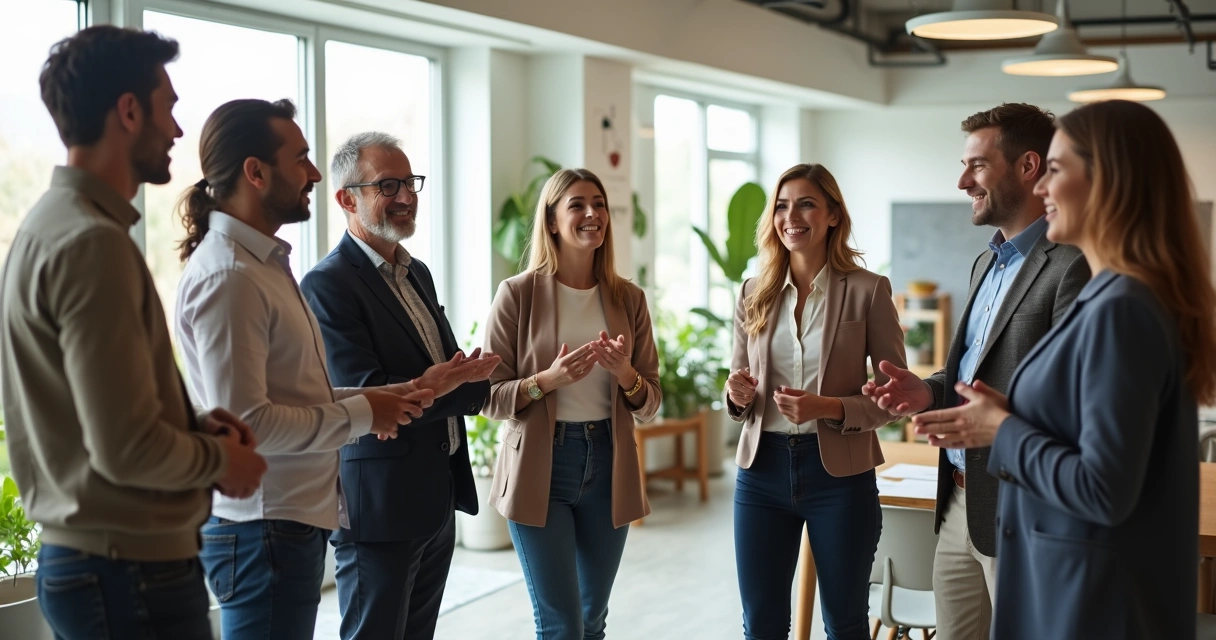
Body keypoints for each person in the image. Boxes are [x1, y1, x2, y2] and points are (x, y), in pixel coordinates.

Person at [0, 26, 266, 639]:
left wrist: (192, 430)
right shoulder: (92, 243)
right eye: (167, 107)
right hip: (127, 573)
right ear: (127, 110)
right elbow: (124, 450)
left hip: (103, 566)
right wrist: (221, 458)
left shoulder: (49, 226)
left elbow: (90, 420)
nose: (177, 129)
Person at [913, 99, 1212, 640]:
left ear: (1108, 181)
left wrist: (1001, 429)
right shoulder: (1120, 297)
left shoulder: (1122, 308)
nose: (1043, 189)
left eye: (1055, 169)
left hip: (1092, 596)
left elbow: (1102, 487)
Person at [174, 99, 434, 639]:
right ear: (255, 172)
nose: (315, 174)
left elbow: (291, 392)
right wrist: (363, 410)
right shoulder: (230, 275)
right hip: (260, 527)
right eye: (302, 158)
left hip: (285, 524)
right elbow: (249, 424)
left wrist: (380, 402)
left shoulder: (261, 264)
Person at [861, 103, 1089, 639]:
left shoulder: (1073, 264)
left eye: (978, 166)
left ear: (1029, 166)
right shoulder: (986, 261)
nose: (963, 181)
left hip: (1024, 507)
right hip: (959, 498)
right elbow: (972, 373)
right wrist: (928, 391)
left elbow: (1071, 398)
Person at [300, 132, 501, 640]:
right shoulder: (327, 285)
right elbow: (367, 396)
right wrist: (449, 385)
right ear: (348, 199)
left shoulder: (418, 274)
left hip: (436, 498)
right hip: (381, 508)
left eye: (410, 182)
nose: (407, 196)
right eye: (388, 185)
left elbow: (448, 367)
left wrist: (471, 383)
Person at [725, 163, 906, 640]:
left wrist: (827, 407)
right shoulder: (751, 293)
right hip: (760, 471)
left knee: (845, 622)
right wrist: (736, 393)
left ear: (832, 215)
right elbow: (738, 384)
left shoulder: (869, 291)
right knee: (761, 624)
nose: (791, 216)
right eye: (782, 206)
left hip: (840, 478)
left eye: (806, 203)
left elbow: (894, 400)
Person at [482, 168, 661, 640]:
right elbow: (488, 398)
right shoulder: (517, 294)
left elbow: (650, 402)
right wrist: (546, 381)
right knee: (562, 625)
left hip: (609, 463)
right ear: (552, 220)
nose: (592, 214)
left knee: (592, 619)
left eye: (599, 204)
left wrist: (627, 375)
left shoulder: (629, 298)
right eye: (577, 205)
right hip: (544, 465)